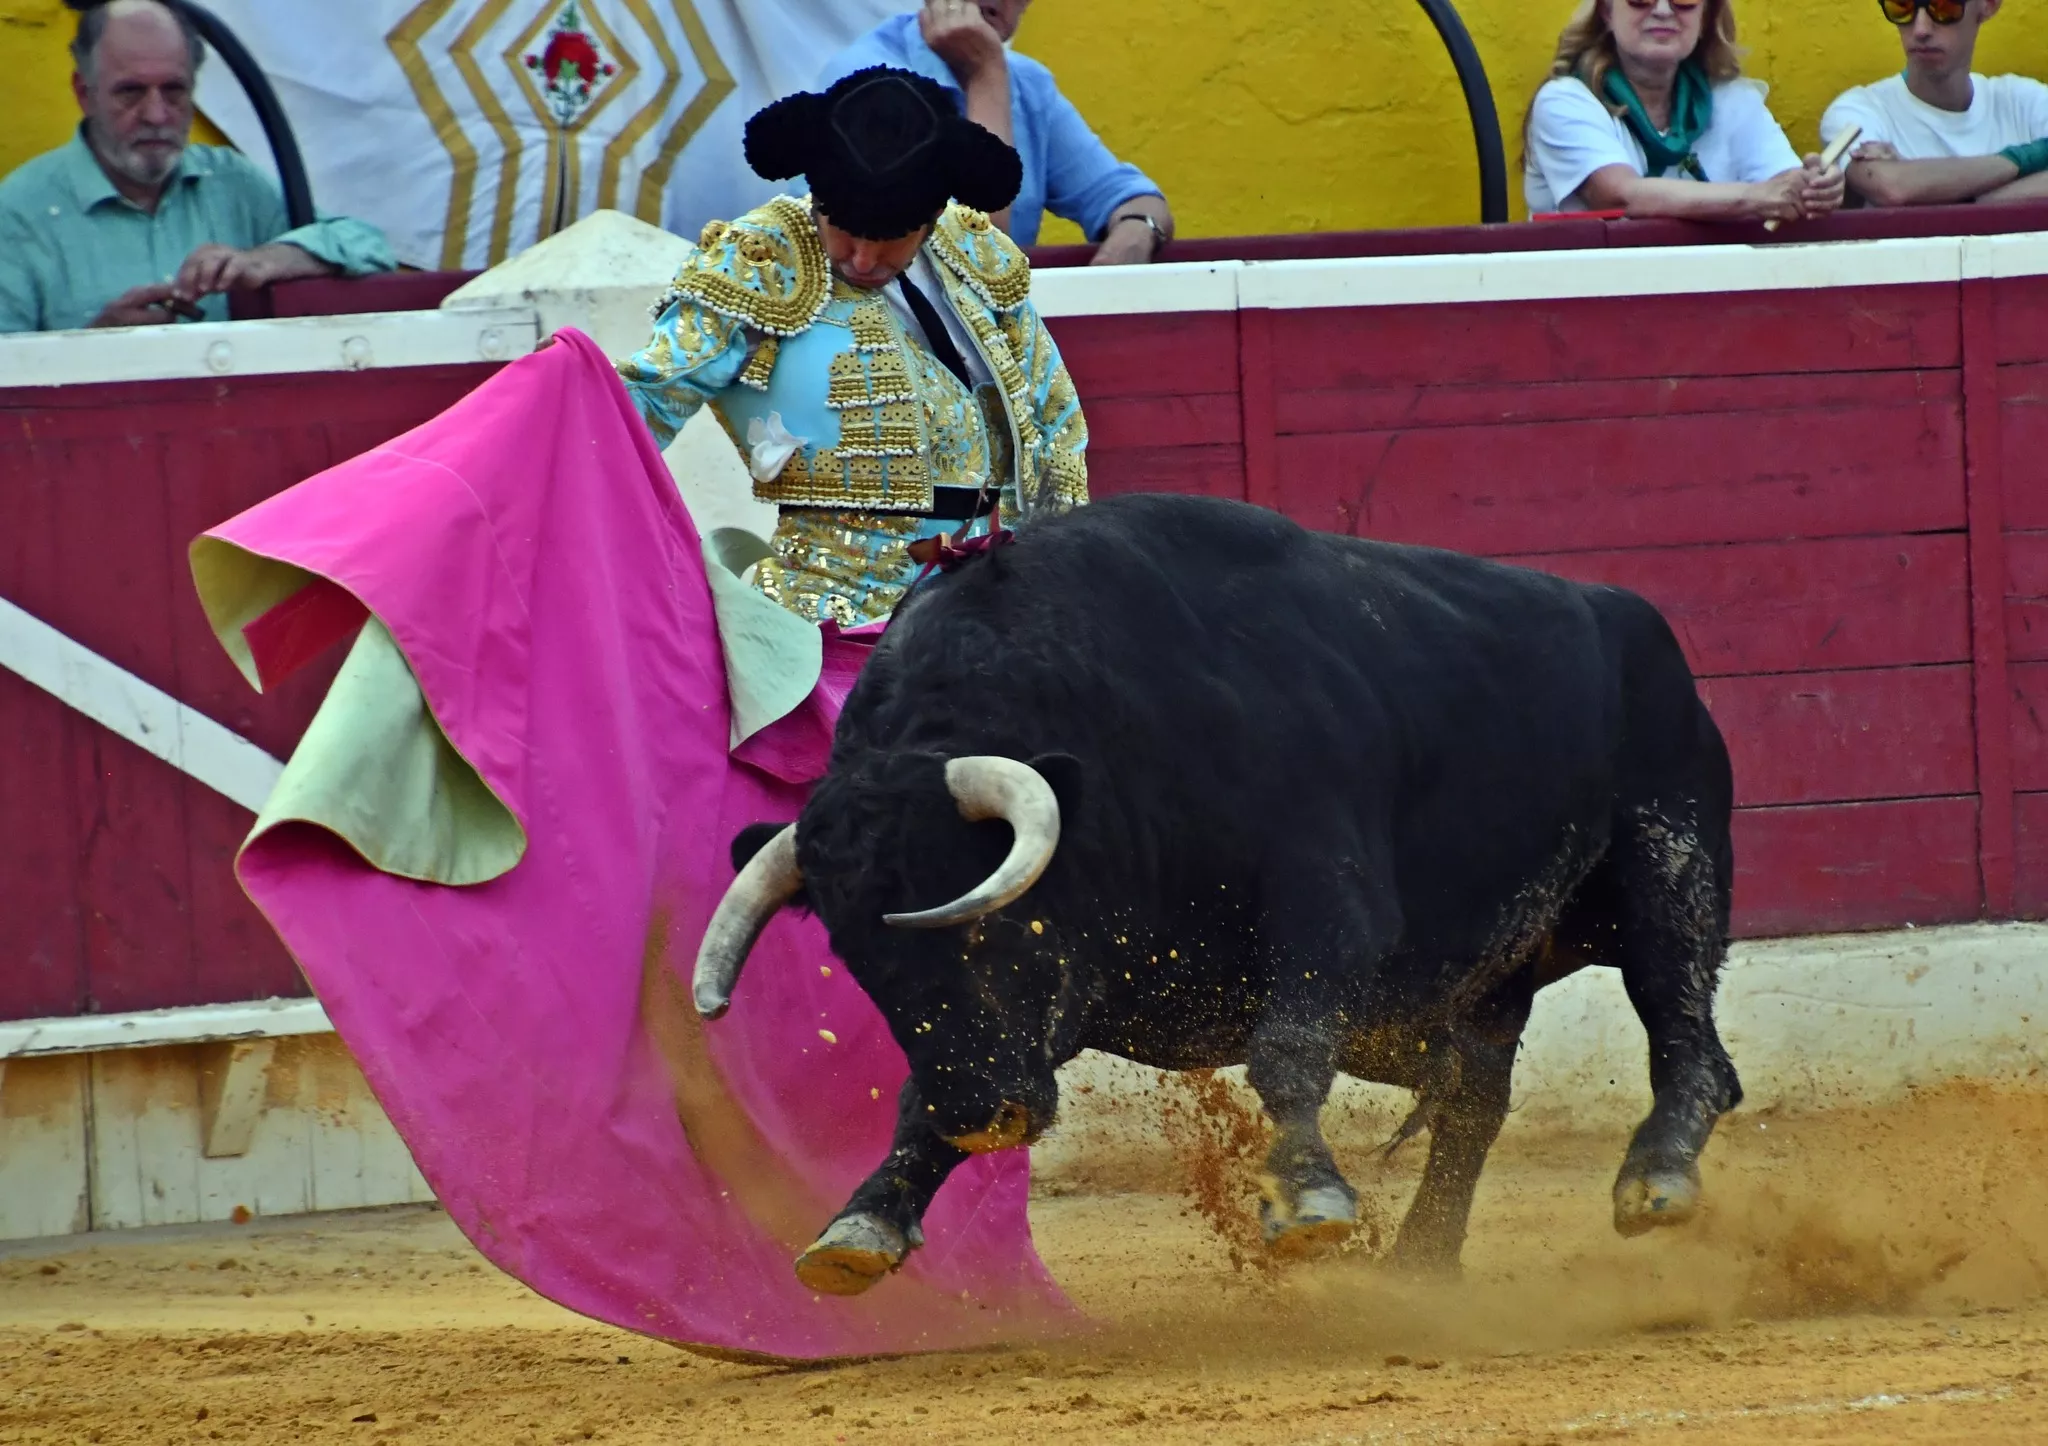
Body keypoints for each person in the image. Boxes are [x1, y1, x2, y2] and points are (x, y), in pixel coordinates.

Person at [618, 66, 1090, 628]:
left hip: (997, 595)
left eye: (891, 239)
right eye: (841, 228)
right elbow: (649, 395)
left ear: (931, 218)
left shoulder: (974, 252)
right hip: (830, 607)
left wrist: (1059, 570)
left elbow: (1053, 419)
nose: (863, 260)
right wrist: (557, 398)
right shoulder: (757, 260)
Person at [0, 0, 394, 334]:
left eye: (174, 91)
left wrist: (267, 259)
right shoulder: (18, 213)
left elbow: (369, 247)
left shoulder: (231, 181)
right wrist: (92, 348)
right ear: (85, 94)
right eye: (131, 92)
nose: (156, 114)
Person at [816, 1, 1172, 264]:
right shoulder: (867, 78)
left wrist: (1136, 233)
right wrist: (985, 75)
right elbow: (976, 251)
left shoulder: (1028, 83)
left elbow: (1128, 196)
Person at [1521, 0, 1846, 223]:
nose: (1663, 10)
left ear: (1705, 16)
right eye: (1640, 0)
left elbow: (1783, 186)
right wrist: (1756, 197)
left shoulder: (1734, 100)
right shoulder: (1565, 101)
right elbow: (1619, 196)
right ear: (1606, 11)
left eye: (1684, 1)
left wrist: (1813, 189)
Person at [1821, 0, 2048, 208]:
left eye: (1944, 7)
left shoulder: (2025, 103)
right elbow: (1891, 188)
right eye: (1902, 6)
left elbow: (1899, 188)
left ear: (1988, 4)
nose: (1921, 29)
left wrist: (1936, 194)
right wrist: (2026, 158)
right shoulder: (1859, 112)